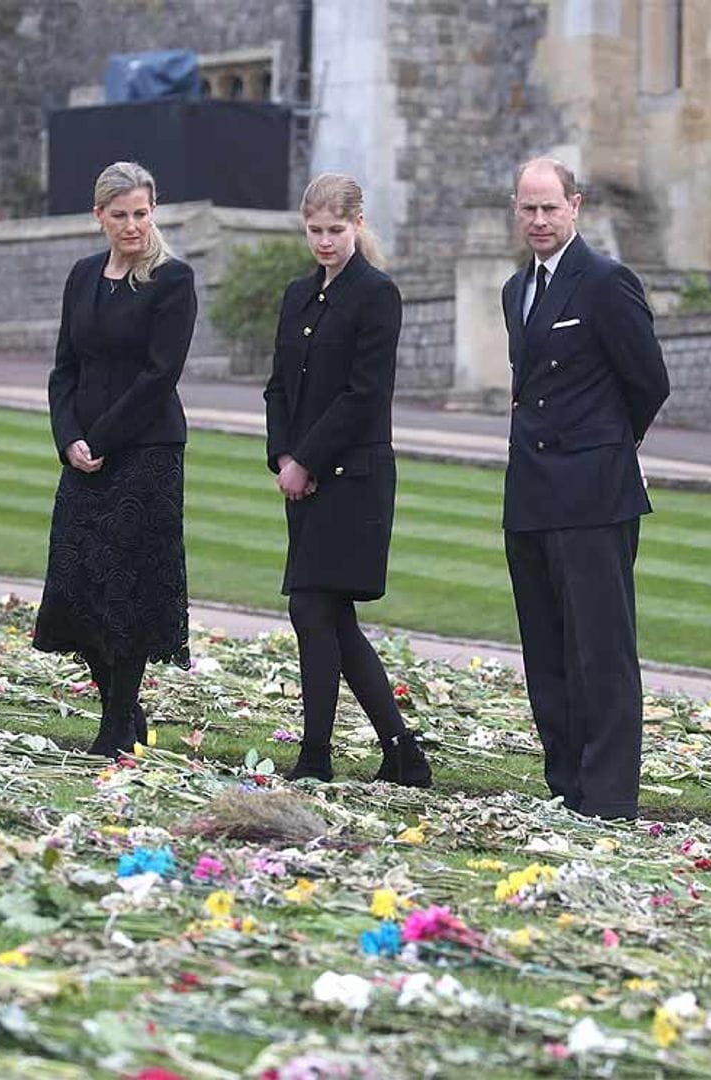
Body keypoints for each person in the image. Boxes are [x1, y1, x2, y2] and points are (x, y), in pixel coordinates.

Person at [500, 157, 670, 820]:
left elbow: (648, 381)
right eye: (528, 208)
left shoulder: (605, 281)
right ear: (516, 211)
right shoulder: (516, 290)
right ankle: (565, 785)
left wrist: (609, 446)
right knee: (545, 652)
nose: (539, 220)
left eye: (550, 207)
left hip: (594, 494)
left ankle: (607, 800)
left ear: (576, 206)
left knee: (600, 652)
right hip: (531, 495)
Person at [264, 173, 432, 787]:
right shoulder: (298, 296)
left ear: (358, 225)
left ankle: (316, 756)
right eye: (316, 231)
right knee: (331, 618)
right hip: (303, 477)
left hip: (353, 477)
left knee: (313, 608)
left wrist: (305, 460)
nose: (326, 241)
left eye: (336, 230)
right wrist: (284, 457)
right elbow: (279, 385)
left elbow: (365, 395)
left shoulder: (376, 294)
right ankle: (402, 751)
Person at [33, 160, 197, 758]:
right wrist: (69, 437)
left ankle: (115, 732)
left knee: (127, 591)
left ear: (153, 212)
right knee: (75, 588)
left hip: (145, 454)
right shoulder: (81, 276)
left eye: (142, 213)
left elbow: (160, 376)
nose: (133, 226)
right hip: (83, 453)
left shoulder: (172, 281)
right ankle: (127, 710)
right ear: (99, 216)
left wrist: (99, 440)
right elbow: (64, 369)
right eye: (121, 215)